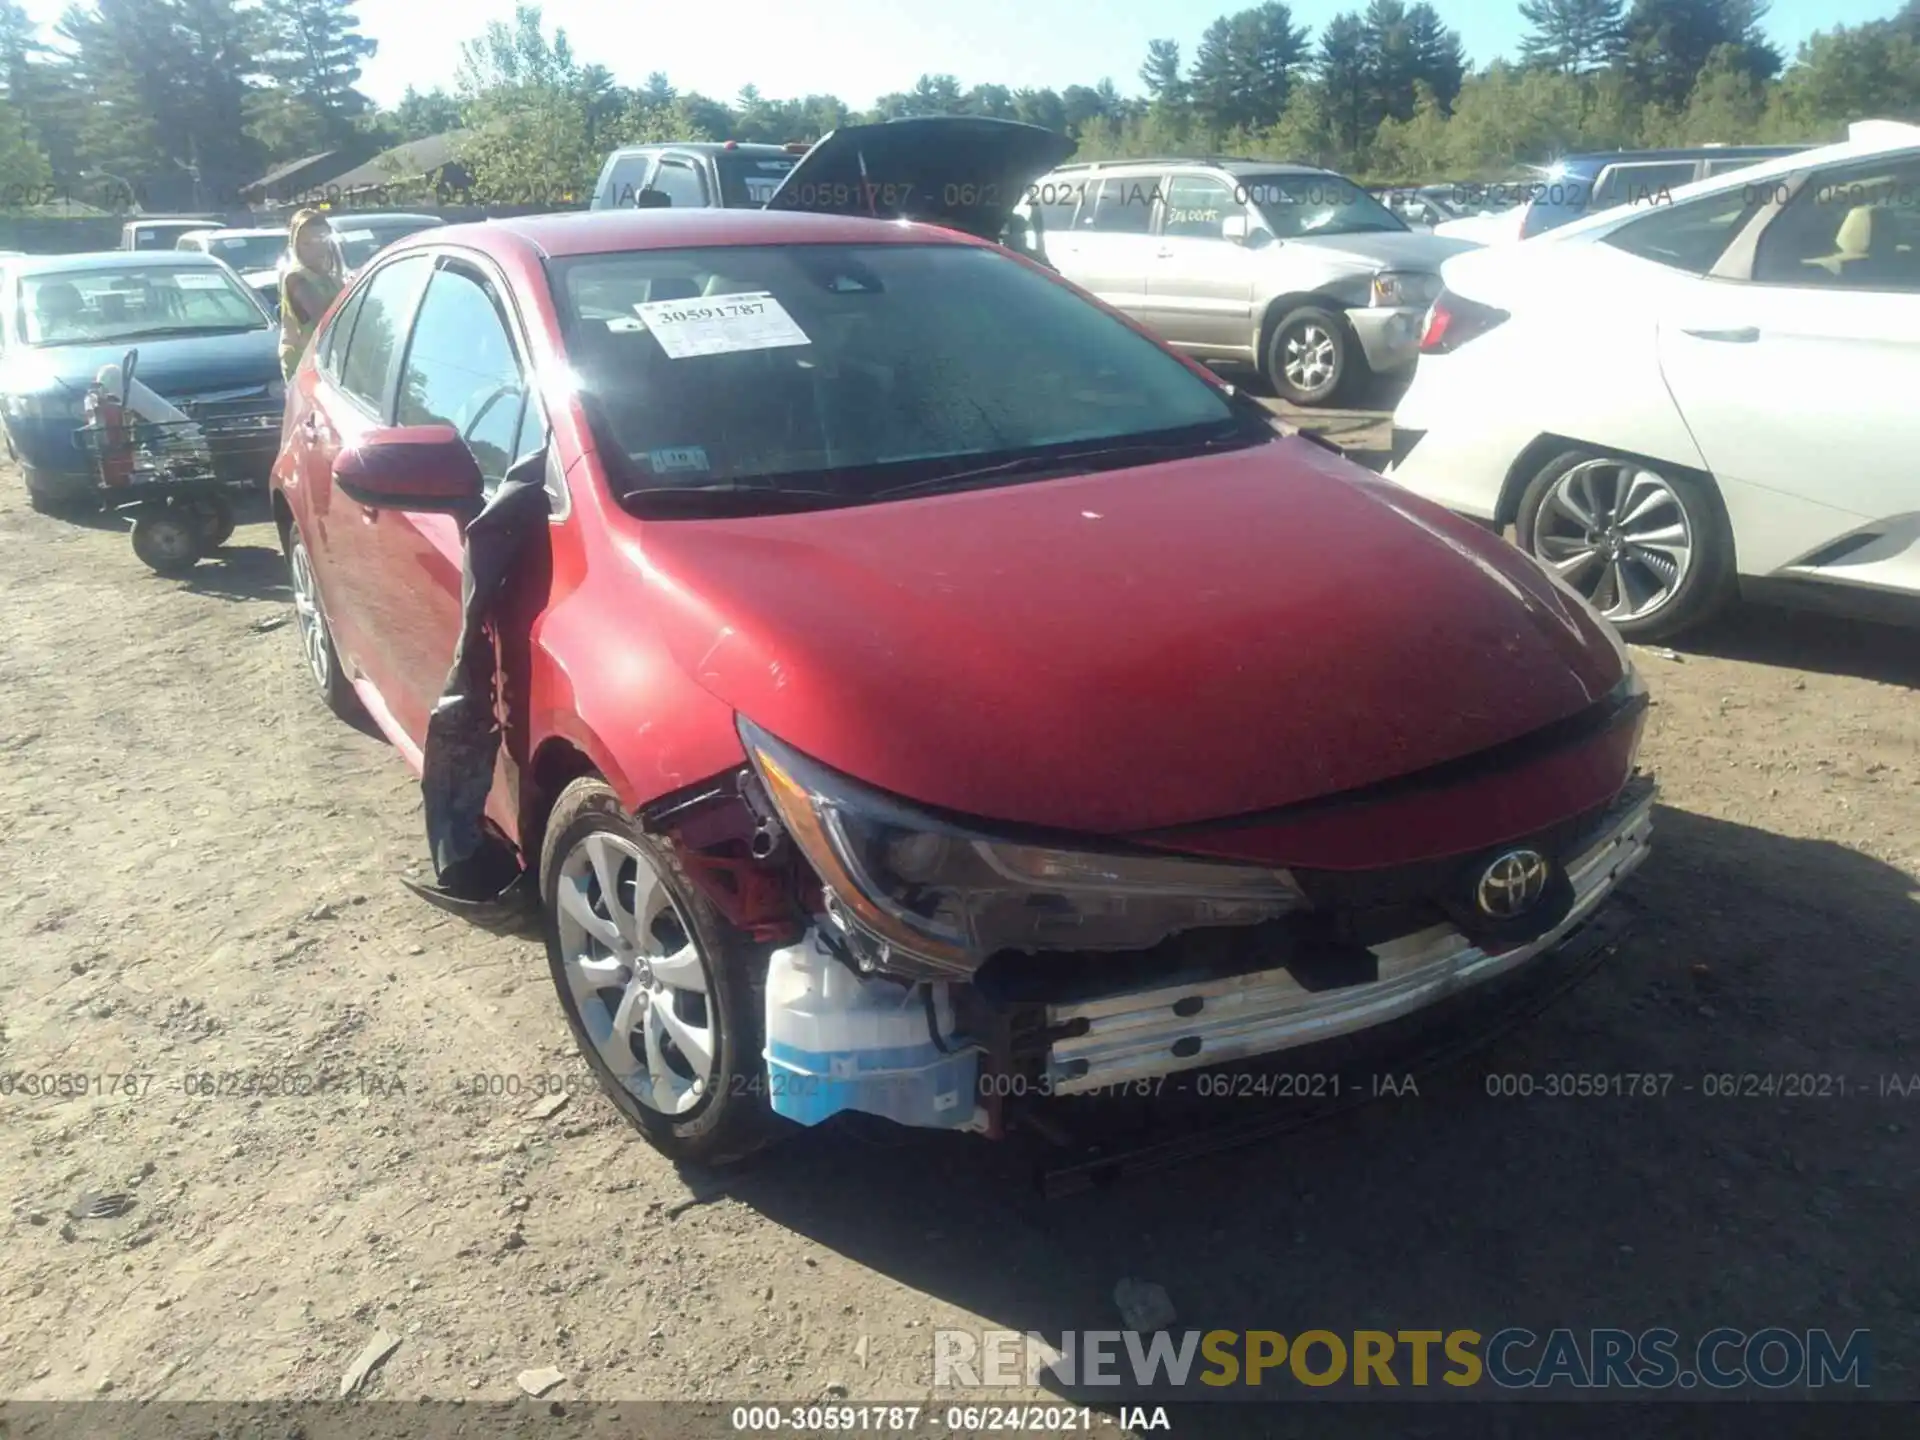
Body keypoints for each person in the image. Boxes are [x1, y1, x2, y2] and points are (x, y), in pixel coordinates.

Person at [277, 209, 343, 381]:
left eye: (321, 239)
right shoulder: (297, 278)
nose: (317, 247)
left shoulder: (327, 275)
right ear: (295, 245)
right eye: (307, 243)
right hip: (303, 365)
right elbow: (324, 318)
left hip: (323, 362)